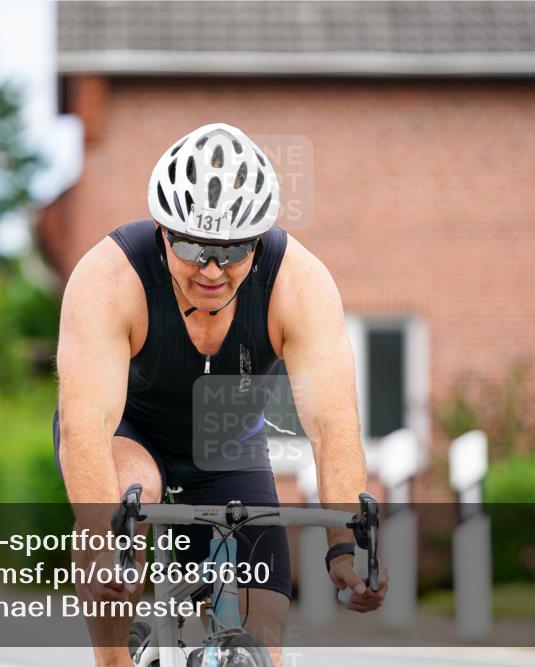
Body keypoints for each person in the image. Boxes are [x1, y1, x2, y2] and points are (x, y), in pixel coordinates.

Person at [54, 122, 386, 666]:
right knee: (125, 517)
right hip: (128, 437)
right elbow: (84, 425)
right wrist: (97, 535)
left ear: (257, 239)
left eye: (232, 251)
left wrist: (346, 548)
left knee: (267, 635)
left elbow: (333, 427)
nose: (212, 269)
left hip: (227, 446)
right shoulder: (110, 276)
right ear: (162, 231)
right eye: (191, 246)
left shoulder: (297, 283)